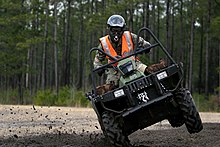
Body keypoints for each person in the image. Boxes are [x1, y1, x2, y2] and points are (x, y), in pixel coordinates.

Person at [93, 14, 151, 87]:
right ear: (109, 29)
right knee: (110, 88)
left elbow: (145, 43)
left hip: (134, 64)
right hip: (115, 70)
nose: (116, 34)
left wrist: (145, 47)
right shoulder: (104, 43)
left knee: (148, 71)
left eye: (119, 31)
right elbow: (97, 61)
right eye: (114, 31)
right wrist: (98, 68)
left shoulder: (129, 36)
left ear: (123, 30)